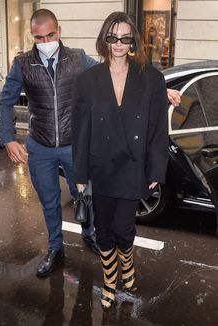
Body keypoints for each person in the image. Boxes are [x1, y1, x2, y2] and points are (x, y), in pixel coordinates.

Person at [72, 12, 168, 309]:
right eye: (112, 37)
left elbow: (156, 128)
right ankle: (110, 280)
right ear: (104, 39)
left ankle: (127, 263)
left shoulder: (152, 78)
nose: (118, 43)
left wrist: (155, 168)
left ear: (133, 41)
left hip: (132, 166)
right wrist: (79, 173)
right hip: (101, 167)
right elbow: (81, 130)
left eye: (125, 37)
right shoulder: (87, 80)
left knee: (124, 228)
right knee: (103, 229)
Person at [0, 8, 99, 278]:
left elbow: (111, 75)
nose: (45, 43)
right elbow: (6, 101)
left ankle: (89, 234)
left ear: (59, 31)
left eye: (50, 35)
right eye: (38, 38)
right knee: (50, 201)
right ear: (33, 37)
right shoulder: (22, 64)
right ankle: (55, 248)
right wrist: (8, 138)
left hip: (73, 146)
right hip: (40, 147)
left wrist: (158, 87)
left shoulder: (78, 58)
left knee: (84, 195)